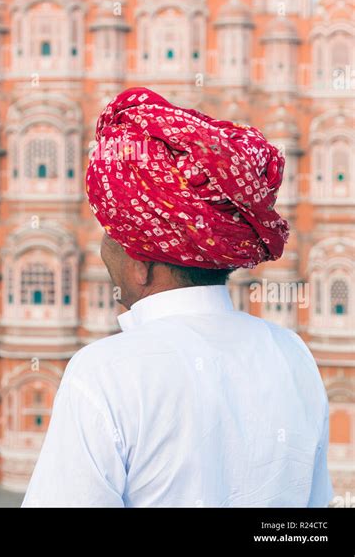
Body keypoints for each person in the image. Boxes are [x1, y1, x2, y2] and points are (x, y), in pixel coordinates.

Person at [22, 87, 333, 508]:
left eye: (112, 236)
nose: (103, 251)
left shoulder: (105, 374)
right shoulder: (293, 356)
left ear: (141, 264)